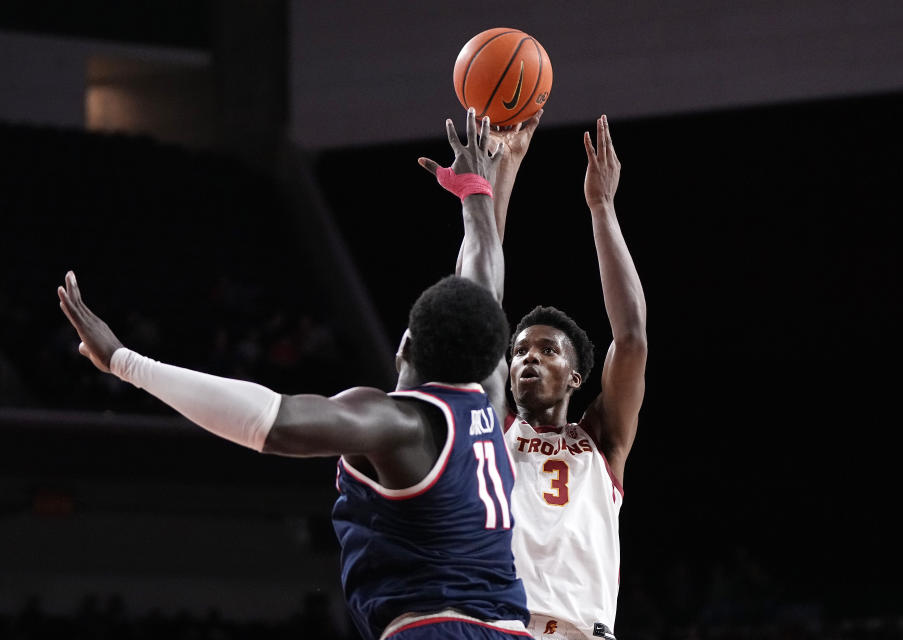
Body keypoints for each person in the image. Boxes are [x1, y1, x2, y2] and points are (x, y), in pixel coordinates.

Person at [57, 110, 533, 640]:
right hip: (512, 630)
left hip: (437, 631)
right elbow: (484, 277)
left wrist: (126, 362)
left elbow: (270, 421)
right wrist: (475, 192)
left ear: (406, 347)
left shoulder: (398, 424)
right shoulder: (487, 398)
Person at [425, 114, 647, 640]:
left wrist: (602, 208)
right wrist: (503, 173)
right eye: (520, 349)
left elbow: (632, 337)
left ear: (575, 377)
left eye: (547, 351)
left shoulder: (603, 441)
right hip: (499, 626)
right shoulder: (494, 425)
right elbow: (477, 302)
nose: (527, 358)